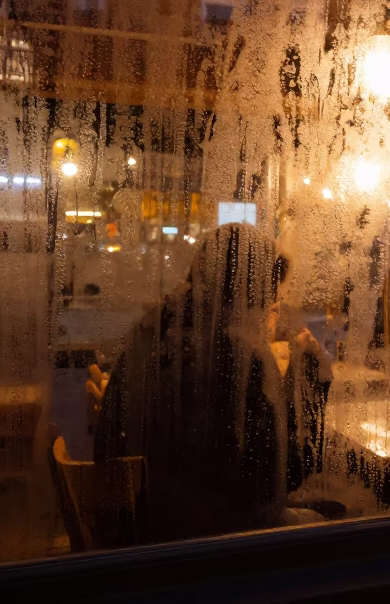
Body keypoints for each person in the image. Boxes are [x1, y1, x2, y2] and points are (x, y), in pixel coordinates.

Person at [94, 223, 334, 544]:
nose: (269, 317)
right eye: (269, 305)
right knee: (342, 516)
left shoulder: (159, 326)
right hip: (208, 546)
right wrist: (311, 373)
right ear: (251, 297)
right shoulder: (233, 356)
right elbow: (279, 478)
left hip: (141, 523)